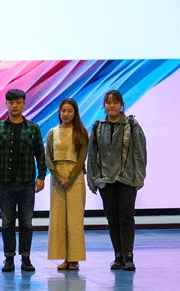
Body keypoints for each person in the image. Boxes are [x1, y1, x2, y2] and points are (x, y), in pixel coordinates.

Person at [87, 90, 147, 271]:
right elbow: (92, 155)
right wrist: (93, 179)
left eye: (115, 102)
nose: (111, 106)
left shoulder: (132, 125)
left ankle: (128, 257)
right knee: (112, 218)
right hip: (106, 180)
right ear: (104, 105)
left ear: (121, 104)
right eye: (108, 102)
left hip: (127, 178)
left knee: (126, 217)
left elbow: (139, 152)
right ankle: (118, 256)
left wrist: (139, 177)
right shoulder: (98, 126)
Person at [0, 89, 47, 272]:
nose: (14, 105)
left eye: (18, 102)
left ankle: (26, 258)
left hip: (27, 183)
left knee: (26, 223)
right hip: (5, 184)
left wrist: (41, 176)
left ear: (24, 104)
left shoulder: (33, 128)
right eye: (11, 102)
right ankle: (9, 258)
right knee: (7, 223)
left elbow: (40, 154)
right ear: (6, 104)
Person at [46, 98, 88, 270]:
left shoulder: (81, 132)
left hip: (75, 176)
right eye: (63, 110)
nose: (66, 114)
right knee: (59, 219)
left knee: (74, 219)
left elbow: (82, 158)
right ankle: (64, 257)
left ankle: (74, 258)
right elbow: (48, 156)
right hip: (57, 177)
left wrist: (69, 179)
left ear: (75, 113)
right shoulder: (52, 132)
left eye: (69, 111)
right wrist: (57, 177)